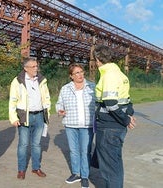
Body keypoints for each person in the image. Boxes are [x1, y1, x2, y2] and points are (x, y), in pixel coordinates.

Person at [92, 45, 136, 188]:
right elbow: (127, 100)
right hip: (116, 127)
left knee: (110, 169)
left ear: (98, 59)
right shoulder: (120, 74)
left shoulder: (109, 75)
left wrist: (126, 119)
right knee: (115, 163)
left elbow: (110, 104)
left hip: (109, 128)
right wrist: (128, 115)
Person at [9, 57, 51, 180]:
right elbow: (12, 100)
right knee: (23, 144)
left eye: (36, 66)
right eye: (33, 67)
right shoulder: (18, 81)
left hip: (39, 116)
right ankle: (21, 170)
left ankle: (36, 168)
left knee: (37, 144)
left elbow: (46, 97)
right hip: (24, 116)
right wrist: (13, 118)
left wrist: (47, 113)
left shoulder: (42, 80)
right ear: (25, 68)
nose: (36, 68)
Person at [56, 63, 96, 188]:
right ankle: (76, 173)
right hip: (70, 124)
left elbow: (99, 104)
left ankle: (84, 176)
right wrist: (60, 109)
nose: (80, 75)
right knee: (74, 151)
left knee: (85, 151)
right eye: (76, 73)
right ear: (71, 76)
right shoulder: (65, 88)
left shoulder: (92, 87)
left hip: (87, 125)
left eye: (81, 71)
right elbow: (59, 103)